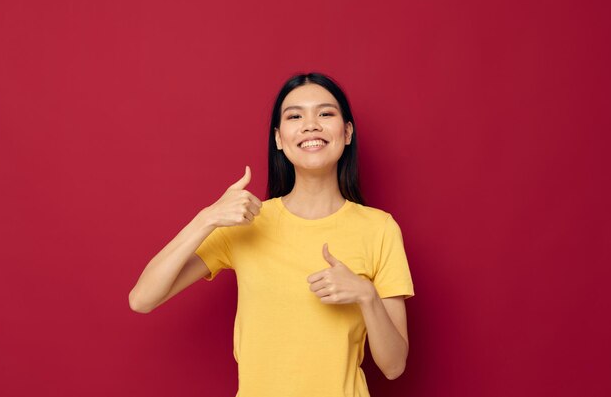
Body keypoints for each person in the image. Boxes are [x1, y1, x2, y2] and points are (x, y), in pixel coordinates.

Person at [128, 72, 415, 397]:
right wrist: (206, 219)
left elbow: (394, 366)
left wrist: (366, 295)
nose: (310, 125)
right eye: (295, 116)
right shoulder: (247, 222)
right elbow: (142, 299)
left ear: (346, 132)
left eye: (325, 113)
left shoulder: (379, 229)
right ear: (279, 138)